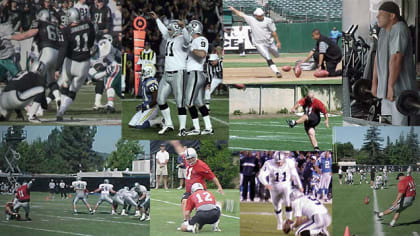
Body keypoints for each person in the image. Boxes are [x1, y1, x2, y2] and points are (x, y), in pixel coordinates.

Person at [8, 9, 61, 122]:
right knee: (50, 81)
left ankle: (32, 112)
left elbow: (27, 35)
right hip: (56, 53)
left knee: (35, 82)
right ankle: (57, 97)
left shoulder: (39, 23)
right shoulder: (55, 27)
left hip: (46, 52)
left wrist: (10, 37)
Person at [372, 1, 416, 125]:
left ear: (392, 16)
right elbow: (378, 58)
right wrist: (375, 83)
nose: (377, 16)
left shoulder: (400, 28)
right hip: (386, 92)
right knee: (386, 124)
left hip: (398, 93)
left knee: (398, 126)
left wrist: (390, 86)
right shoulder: (383, 32)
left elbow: (396, 58)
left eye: (381, 14)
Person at [149, 11, 188, 135]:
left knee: (180, 102)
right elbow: (163, 30)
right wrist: (157, 19)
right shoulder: (168, 37)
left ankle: (182, 128)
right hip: (167, 74)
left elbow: (188, 38)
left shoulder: (183, 39)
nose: (168, 31)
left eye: (171, 29)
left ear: (177, 30)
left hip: (179, 73)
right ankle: (169, 124)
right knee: (160, 100)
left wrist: (184, 27)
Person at [229, 7, 282, 78]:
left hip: (270, 41)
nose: (260, 16)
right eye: (259, 15)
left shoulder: (268, 20)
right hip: (259, 43)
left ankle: (277, 67)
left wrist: (278, 42)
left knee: (277, 55)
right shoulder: (251, 19)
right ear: (255, 15)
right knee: (267, 57)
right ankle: (277, 72)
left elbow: (274, 32)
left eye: (262, 15)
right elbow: (241, 14)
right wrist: (233, 9)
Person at [258, 151, 303, 230]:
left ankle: (288, 222)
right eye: (277, 162)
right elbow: (261, 175)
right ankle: (279, 222)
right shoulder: (268, 163)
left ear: (284, 159)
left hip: (286, 185)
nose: (279, 164)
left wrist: (300, 185)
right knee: (277, 206)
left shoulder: (289, 162)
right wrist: (266, 184)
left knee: (288, 203)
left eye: (281, 162)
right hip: (274, 187)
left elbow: (295, 174)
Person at [183, 20, 213, 136]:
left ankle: (196, 128)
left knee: (189, 102)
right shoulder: (195, 40)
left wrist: (191, 48)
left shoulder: (200, 40)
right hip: (196, 73)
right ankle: (208, 127)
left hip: (195, 73)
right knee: (199, 102)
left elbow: (202, 54)